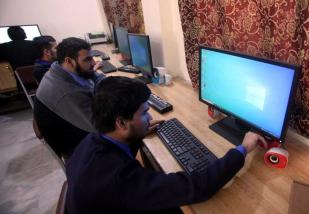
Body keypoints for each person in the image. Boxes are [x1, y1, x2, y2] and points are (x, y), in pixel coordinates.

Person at [66, 76, 268, 214]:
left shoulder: (91, 141)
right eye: (144, 113)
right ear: (120, 123)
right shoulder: (118, 178)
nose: (150, 116)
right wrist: (243, 149)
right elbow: (197, 187)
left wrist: (137, 133)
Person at [34, 37, 105, 159]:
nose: (93, 63)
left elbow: (91, 76)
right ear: (69, 61)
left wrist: (106, 81)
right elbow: (100, 127)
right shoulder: (67, 92)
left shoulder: (60, 68)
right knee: (135, 132)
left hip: (80, 125)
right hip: (78, 148)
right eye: (88, 59)